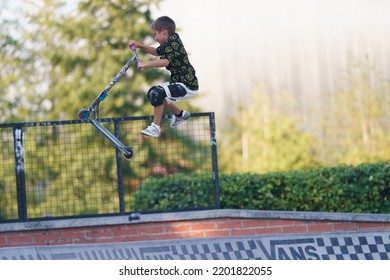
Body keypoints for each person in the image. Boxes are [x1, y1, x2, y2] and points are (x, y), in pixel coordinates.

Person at [128, 16, 199, 137]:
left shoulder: (173, 44)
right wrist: (139, 45)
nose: (155, 38)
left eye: (155, 34)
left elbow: (165, 62)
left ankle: (155, 128)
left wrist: (145, 64)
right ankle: (179, 114)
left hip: (186, 85)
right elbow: (157, 52)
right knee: (153, 93)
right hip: (180, 83)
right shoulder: (171, 41)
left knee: (157, 93)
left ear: (164, 32)